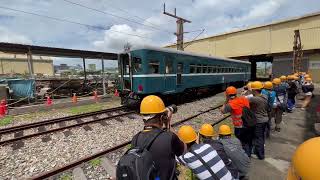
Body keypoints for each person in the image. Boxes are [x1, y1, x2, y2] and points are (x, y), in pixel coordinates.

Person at [130, 95, 185, 180]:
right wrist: (167, 124)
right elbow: (183, 150)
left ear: (143, 119)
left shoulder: (135, 139)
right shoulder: (170, 137)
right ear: (162, 117)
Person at [220, 86, 253, 157]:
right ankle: (248, 154)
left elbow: (222, 111)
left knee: (242, 143)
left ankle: (245, 157)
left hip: (239, 127)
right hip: (249, 124)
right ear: (236, 93)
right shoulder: (244, 99)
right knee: (248, 141)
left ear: (227, 95)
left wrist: (226, 100)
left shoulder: (230, 104)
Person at [248, 81, 269, 160]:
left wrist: (248, 92)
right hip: (264, 119)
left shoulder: (254, 99)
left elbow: (244, 100)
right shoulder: (264, 96)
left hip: (258, 121)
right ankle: (257, 150)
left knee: (258, 138)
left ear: (254, 90)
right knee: (261, 137)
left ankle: (260, 155)